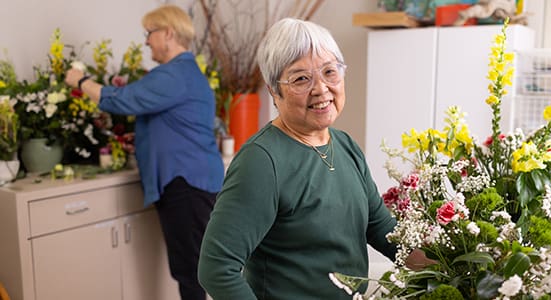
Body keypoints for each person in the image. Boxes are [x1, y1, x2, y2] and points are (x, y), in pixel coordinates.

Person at [197, 18, 431, 299]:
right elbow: (216, 268)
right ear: (274, 90)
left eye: (329, 72)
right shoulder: (261, 162)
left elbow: (380, 227)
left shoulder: (345, 145)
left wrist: (450, 264)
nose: (321, 88)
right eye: (300, 79)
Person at [65, 5, 224, 300]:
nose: (146, 41)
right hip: (193, 182)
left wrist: (81, 81)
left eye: (149, 33)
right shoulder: (185, 74)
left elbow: (122, 100)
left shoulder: (173, 75)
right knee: (194, 270)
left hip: (186, 184)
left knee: (191, 274)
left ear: (168, 33)